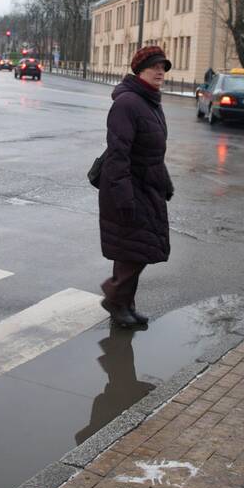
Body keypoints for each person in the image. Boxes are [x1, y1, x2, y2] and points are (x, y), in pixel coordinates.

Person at [98, 45, 174, 328]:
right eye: (154, 66)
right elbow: (118, 155)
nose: (160, 72)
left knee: (134, 250)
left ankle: (125, 305)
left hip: (148, 186)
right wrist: (124, 197)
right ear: (139, 70)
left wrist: (165, 181)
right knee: (135, 250)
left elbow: (152, 151)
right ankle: (114, 296)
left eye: (163, 67)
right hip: (129, 187)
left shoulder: (151, 102)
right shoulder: (127, 104)